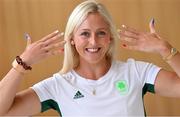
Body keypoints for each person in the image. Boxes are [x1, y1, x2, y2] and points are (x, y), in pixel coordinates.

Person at [0, 0, 180, 116]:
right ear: (71, 39)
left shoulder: (136, 72)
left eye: (101, 33)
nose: (93, 41)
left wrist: (165, 49)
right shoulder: (57, 86)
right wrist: (22, 63)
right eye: (84, 33)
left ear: (110, 37)